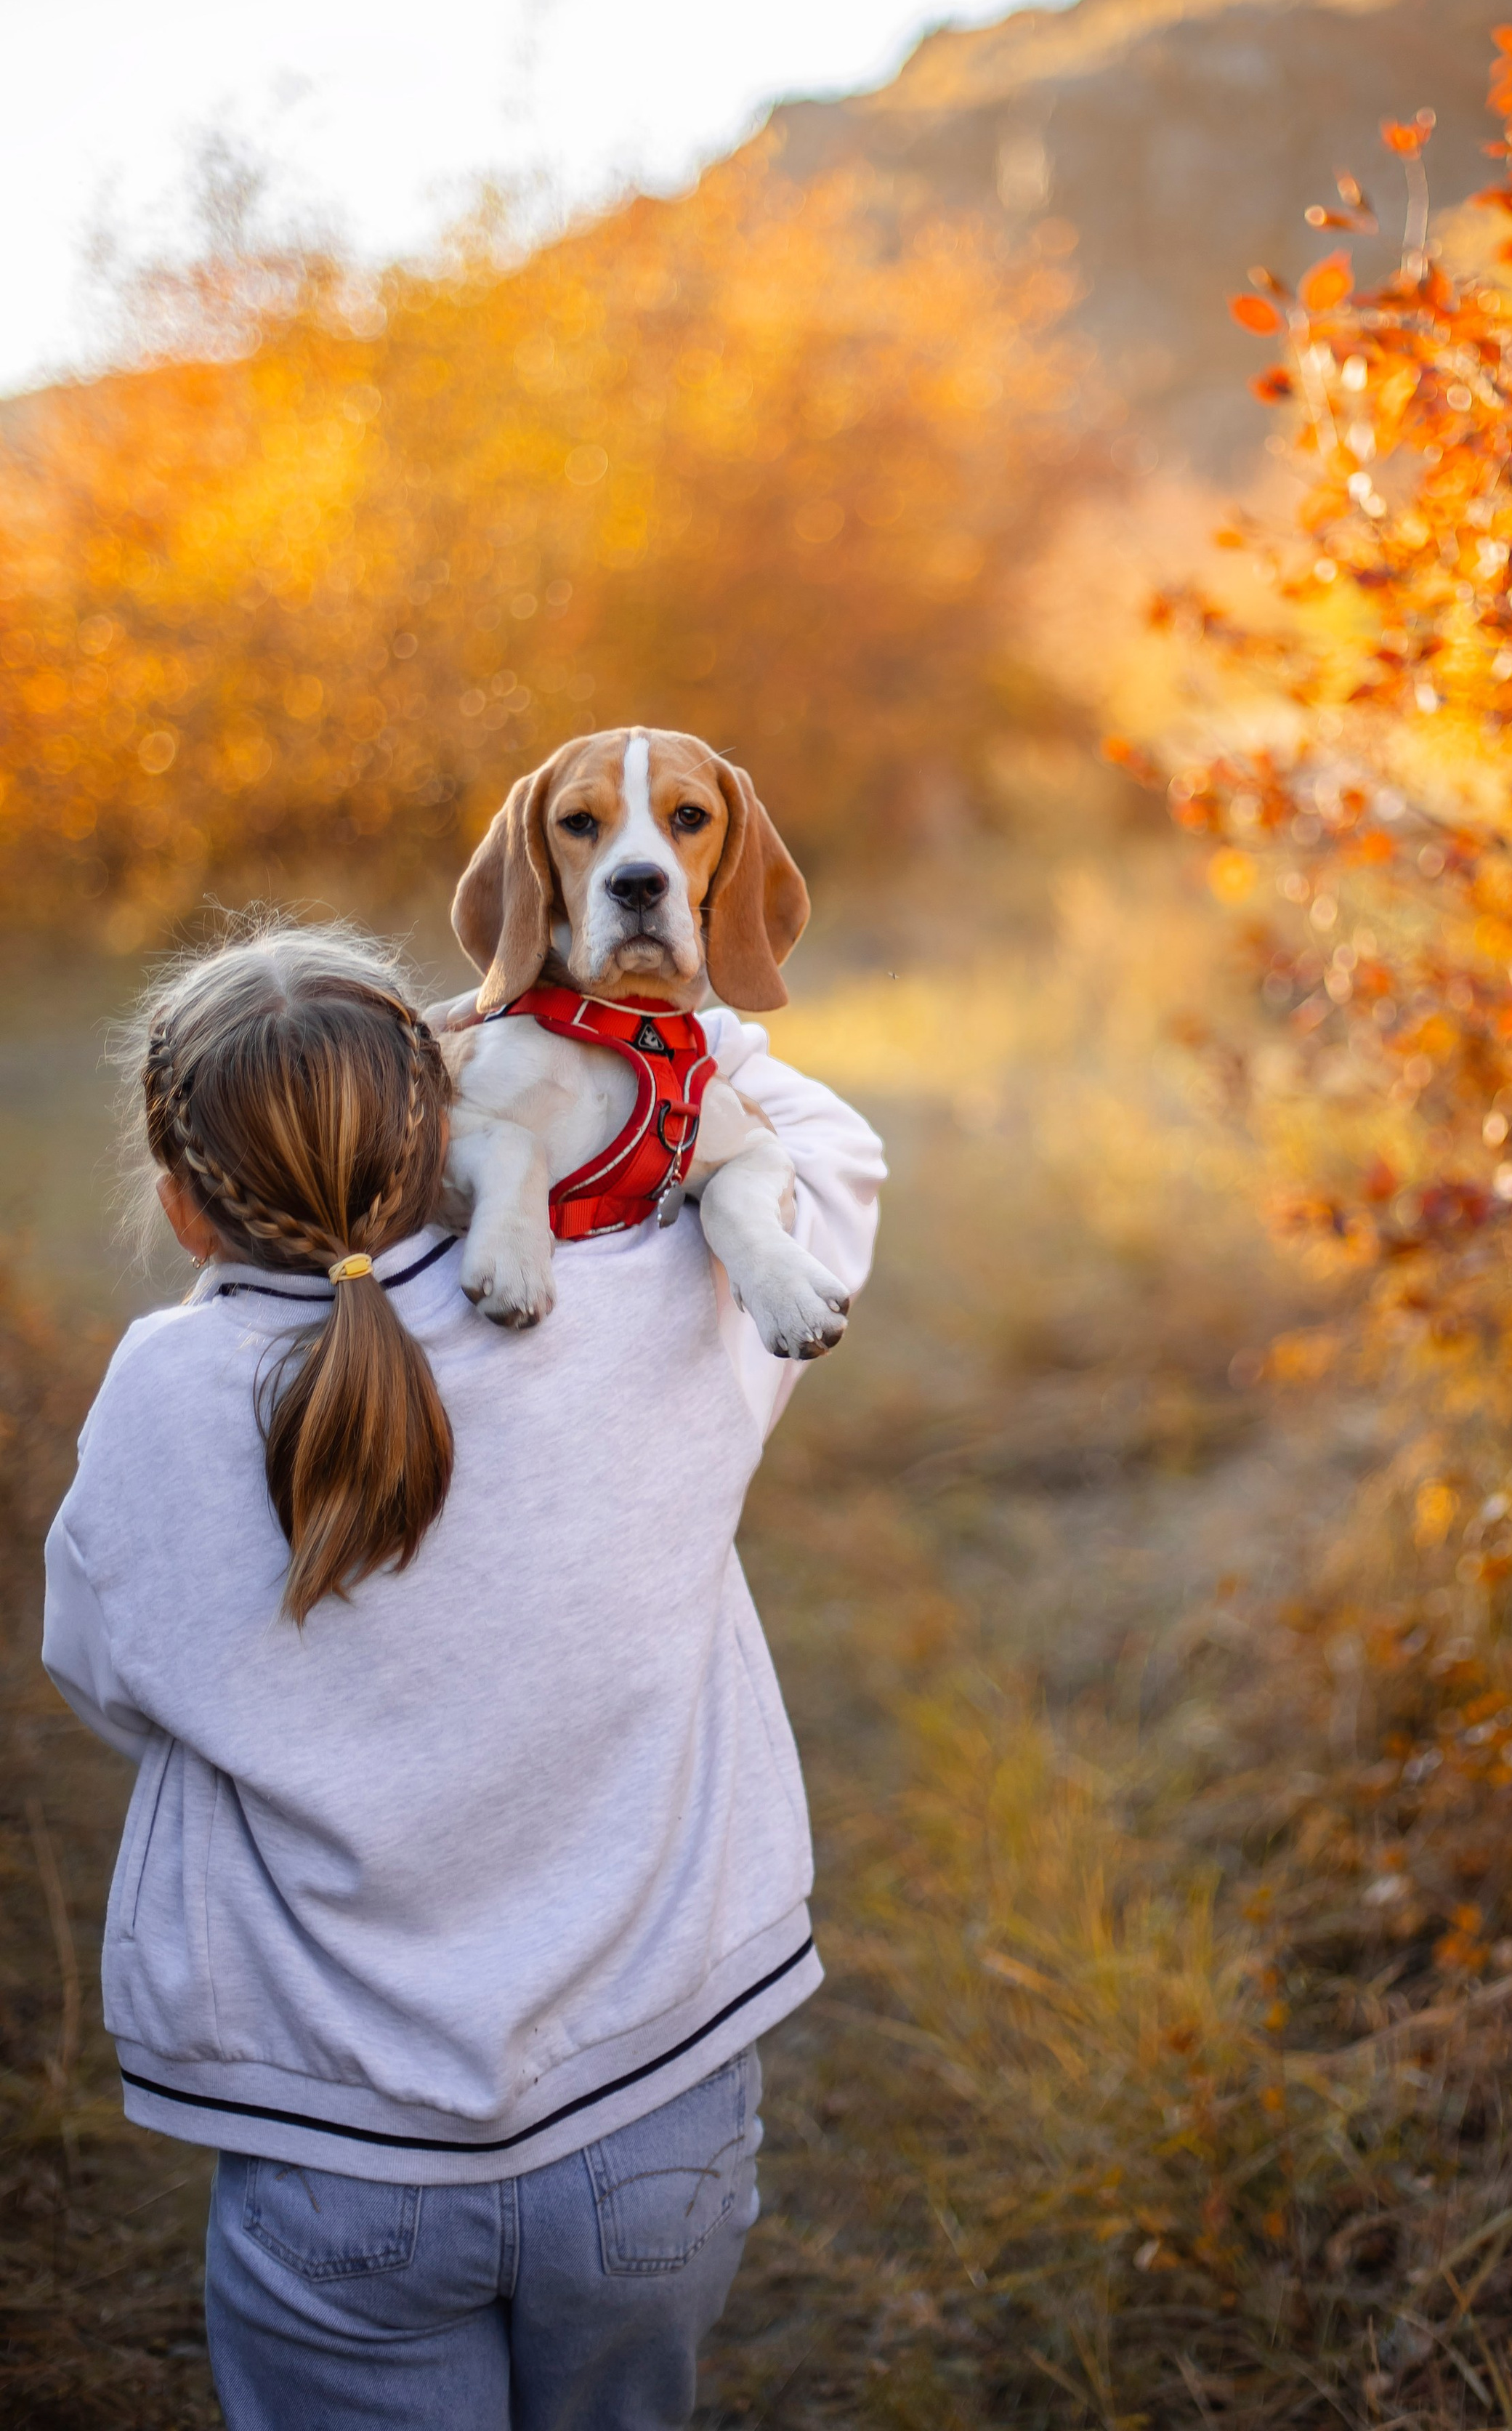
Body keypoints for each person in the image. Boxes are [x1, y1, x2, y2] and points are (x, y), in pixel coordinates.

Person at [40, 919, 884, 2431]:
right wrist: (611, 1011)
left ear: (179, 1205)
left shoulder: (163, 1398)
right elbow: (825, 1150)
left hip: (338, 2139)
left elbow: (107, 1679)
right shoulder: (648, 1301)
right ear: (458, 1127)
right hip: (652, 2115)